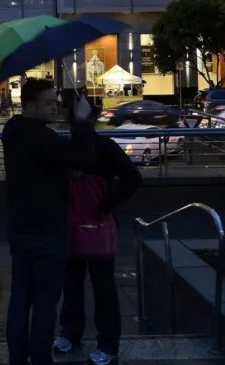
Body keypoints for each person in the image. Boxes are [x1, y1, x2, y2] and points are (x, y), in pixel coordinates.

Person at [3, 78, 95, 365]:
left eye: (55, 102)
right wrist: (81, 120)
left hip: (19, 226)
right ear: (30, 105)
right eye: (48, 102)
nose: (55, 107)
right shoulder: (44, 138)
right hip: (48, 230)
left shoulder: (12, 130)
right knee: (45, 300)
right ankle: (41, 358)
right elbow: (82, 159)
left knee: (20, 297)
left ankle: (17, 358)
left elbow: (45, 165)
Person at [54, 134, 141, 365]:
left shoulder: (84, 145)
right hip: (89, 226)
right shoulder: (99, 146)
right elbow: (132, 178)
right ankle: (95, 340)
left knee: (90, 285)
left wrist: (105, 206)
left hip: (82, 226)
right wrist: (106, 206)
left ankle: (89, 338)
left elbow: (133, 178)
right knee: (88, 285)